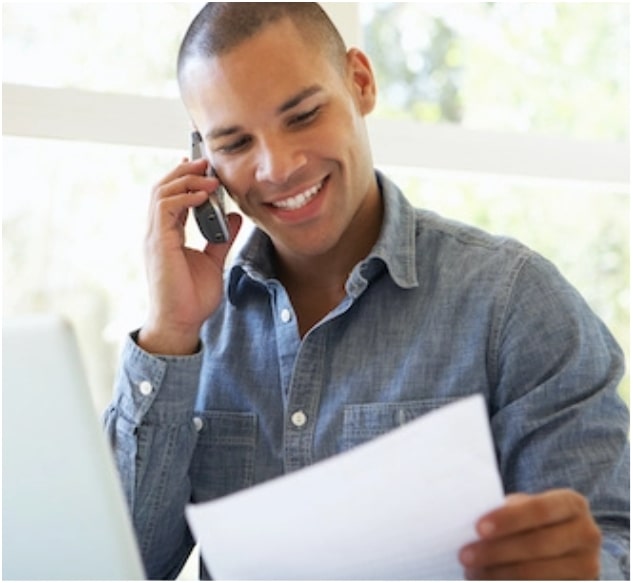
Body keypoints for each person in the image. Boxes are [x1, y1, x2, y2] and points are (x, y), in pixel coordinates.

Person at [104, 3, 630, 580]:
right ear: (203, 161)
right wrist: (170, 333)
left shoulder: (514, 304)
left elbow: (610, 543)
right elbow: (121, 566)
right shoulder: (192, 331)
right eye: (234, 143)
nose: (278, 167)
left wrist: (584, 569)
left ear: (359, 82)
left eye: (302, 115)